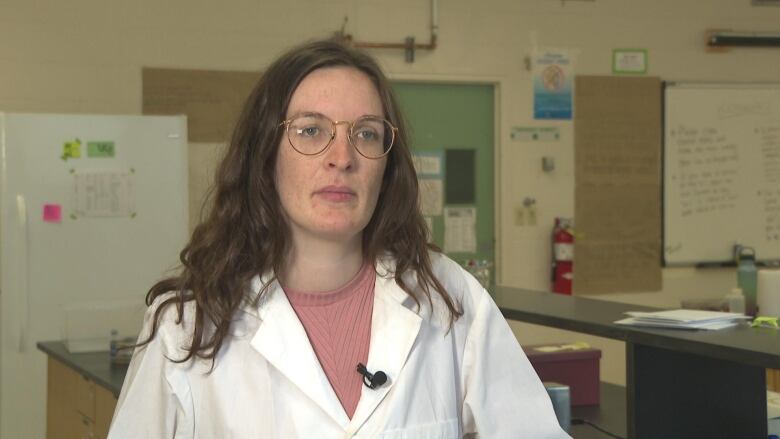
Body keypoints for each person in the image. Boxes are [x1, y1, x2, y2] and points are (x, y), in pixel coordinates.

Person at [109, 39, 569, 438]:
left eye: (366, 134)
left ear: (386, 166)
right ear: (264, 154)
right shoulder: (185, 326)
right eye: (311, 130)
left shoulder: (447, 298)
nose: (342, 157)